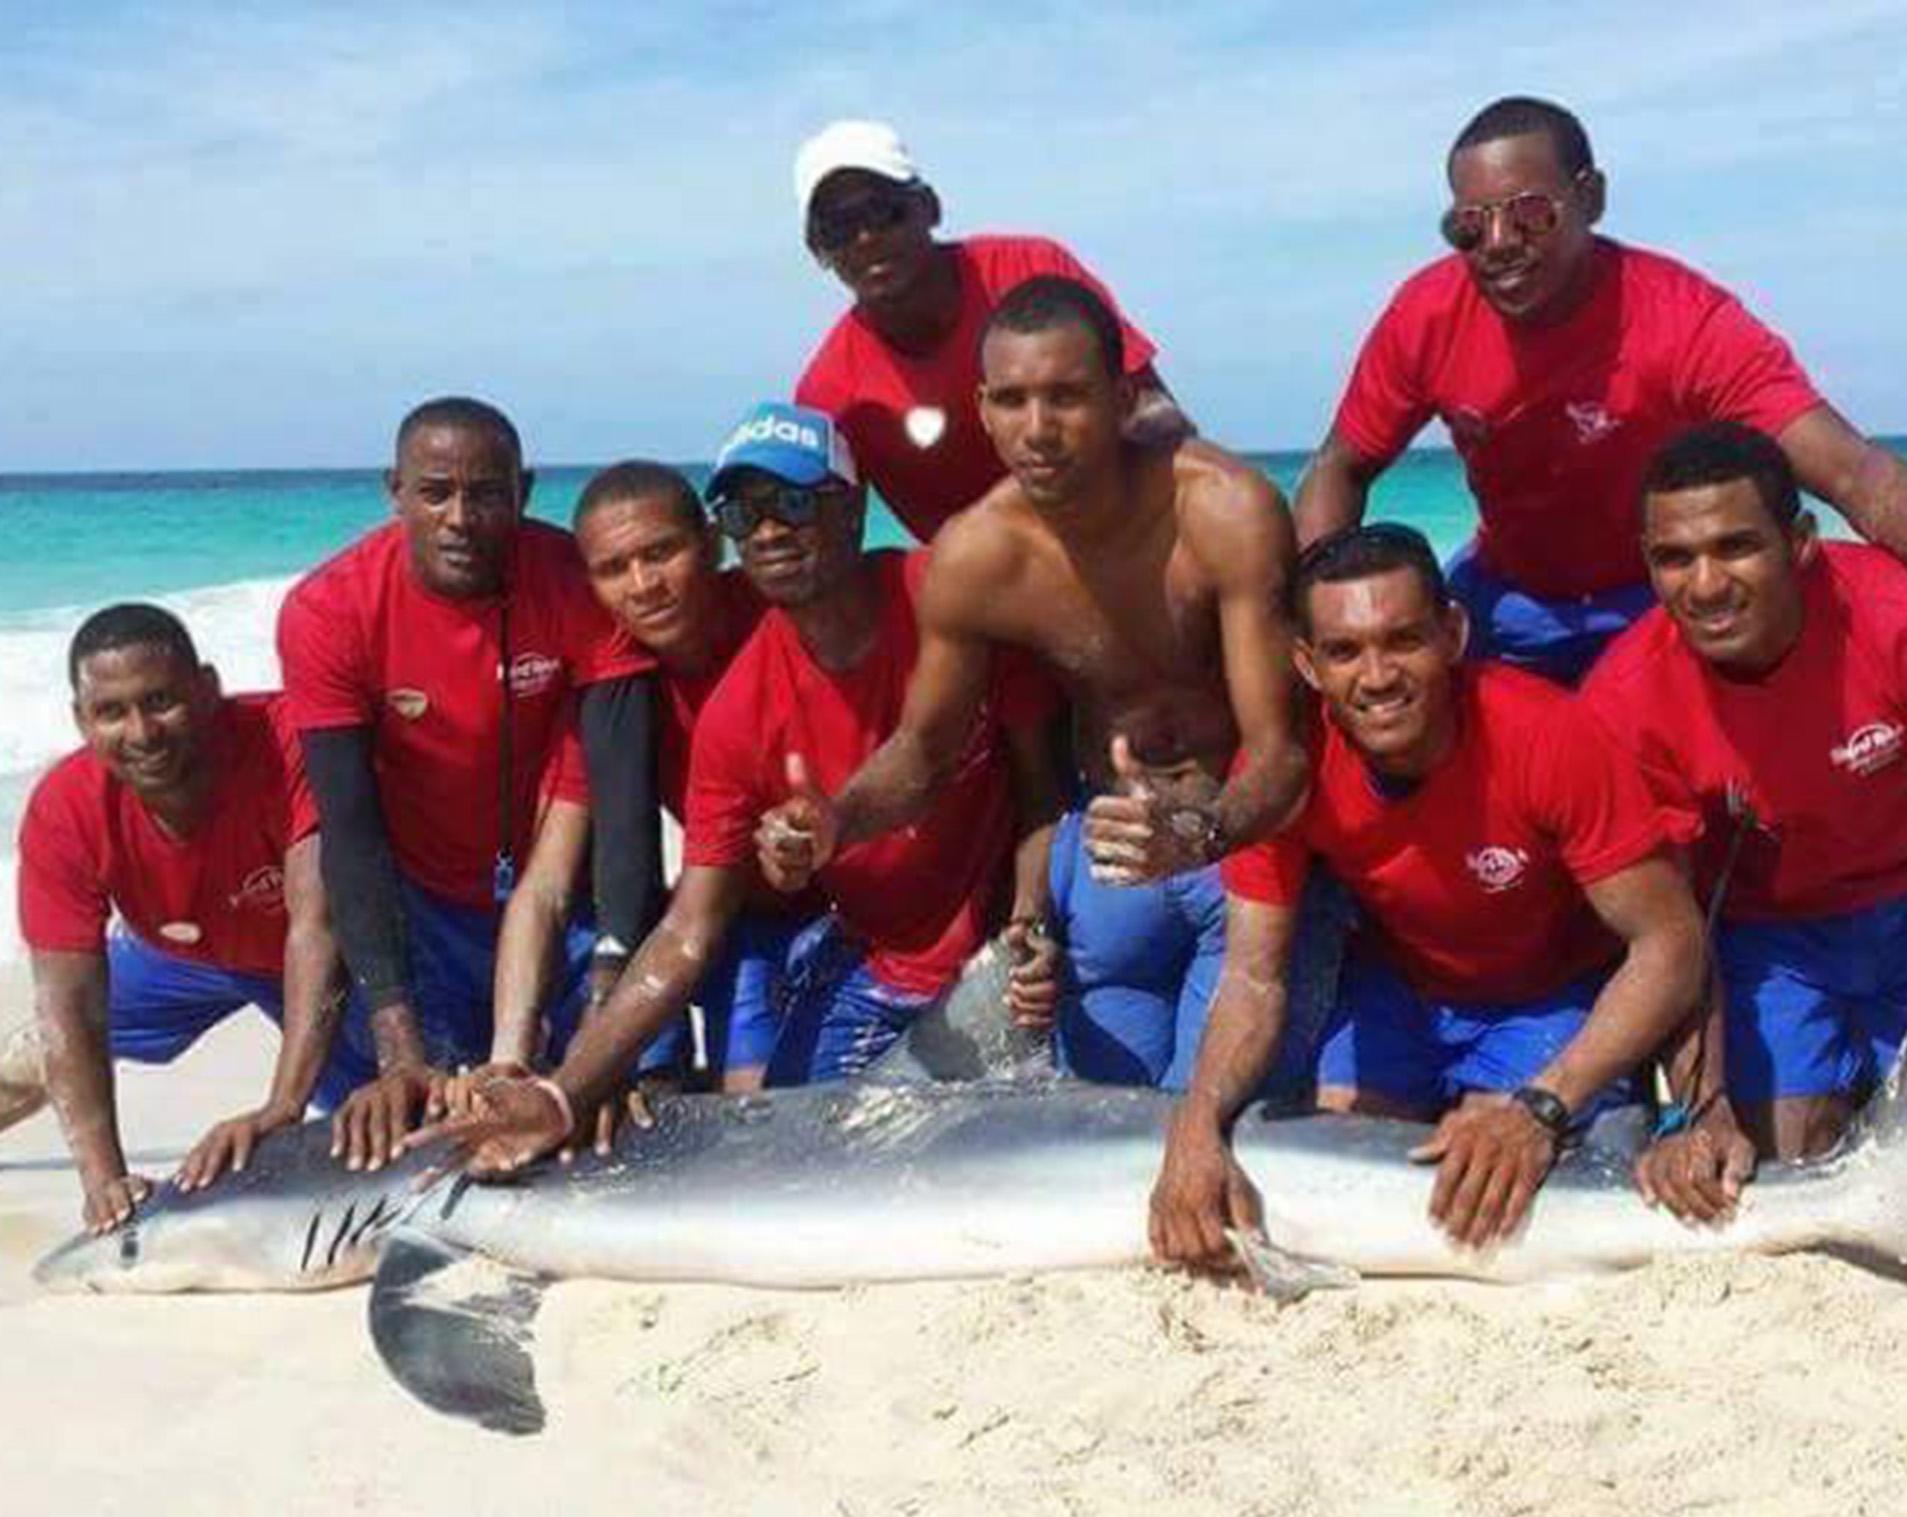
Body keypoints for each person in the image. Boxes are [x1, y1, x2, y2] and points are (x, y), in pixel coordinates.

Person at [411, 403, 1062, 1172]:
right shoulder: (734, 711)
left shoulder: (942, 599)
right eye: (745, 512)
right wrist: (563, 1094)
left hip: (1015, 941)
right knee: (779, 1157)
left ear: (852, 505)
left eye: (793, 502)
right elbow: (688, 929)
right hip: (878, 956)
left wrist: (1033, 917)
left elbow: (1045, 783)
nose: (770, 532)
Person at [765, 275, 1316, 1092]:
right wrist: (836, 821)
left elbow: (1285, 751)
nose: (1039, 430)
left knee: (1209, 1130)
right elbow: (924, 752)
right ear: (981, 409)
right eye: (1013, 401)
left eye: (1067, 397)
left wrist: (1202, 831)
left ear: (1125, 396)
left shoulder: (1223, 511)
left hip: (1246, 851)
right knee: (1103, 1131)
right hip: (1107, 862)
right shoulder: (978, 555)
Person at [1293, 95, 1907, 683]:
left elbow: (1848, 467)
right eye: (1469, 227)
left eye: (1529, 213)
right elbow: (1340, 466)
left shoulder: (1682, 318)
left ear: (1592, 198)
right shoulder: (1427, 313)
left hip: (1661, 603)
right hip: (1510, 593)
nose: (1500, 243)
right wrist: (1312, 617)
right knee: (1378, 698)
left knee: (1903, 609)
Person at [1150, 525, 1707, 1261]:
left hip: (1550, 996)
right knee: (1343, 1160)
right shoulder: (1287, 764)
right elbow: (1254, 975)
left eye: (1403, 640)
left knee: (1485, 1179)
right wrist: (1196, 1124)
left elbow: (1670, 944)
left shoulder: (1547, 735)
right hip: (1405, 991)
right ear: (1307, 666)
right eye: (1345, 652)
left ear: (1453, 633)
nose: (1377, 676)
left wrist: (1543, 1106)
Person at [1581, 423, 1907, 1222]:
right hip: (1774, 940)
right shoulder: (1623, 703)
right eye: (1674, 558)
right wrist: (1704, 1107)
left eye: (1736, 547)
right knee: (1784, 1169)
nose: (1705, 584)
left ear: (1800, 542)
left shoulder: (1896, 611)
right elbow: (1671, 930)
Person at [276, 397, 660, 1172]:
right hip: (417, 905)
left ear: (524, 491)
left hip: (567, 892)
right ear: (395, 491)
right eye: (435, 491)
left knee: (640, 1103)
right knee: (420, 1124)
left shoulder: (580, 582)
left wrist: (605, 1024)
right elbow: (349, 834)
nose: (460, 517)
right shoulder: (328, 609)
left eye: (486, 492)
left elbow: (625, 805)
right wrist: (397, 1042)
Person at [4, 605, 351, 1232]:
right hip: (181, 957)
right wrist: (104, 1181)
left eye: (161, 701)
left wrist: (283, 1105)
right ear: (83, 722)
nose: (140, 732)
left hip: (324, 960)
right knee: (42, 1052)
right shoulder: (66, 808)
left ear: (208, 689)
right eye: (111, 712)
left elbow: (317, 928)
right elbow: (71, 1007)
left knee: (387, 1125)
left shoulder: (289, 741)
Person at [480, 460, 790, 1099]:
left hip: (862, 904)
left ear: (711, 543)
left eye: (661, 553)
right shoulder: (616, 691)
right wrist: (508, 1058)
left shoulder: (780, 617)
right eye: (613, 569)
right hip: (733, 918)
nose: (643, 585)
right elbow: (546, 883)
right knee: (741, 1106)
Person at [793, 118, 1189, 541]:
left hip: (1123, 539)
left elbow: (1153, 413)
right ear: (818, 251)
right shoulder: (829, 395)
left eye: (883, 210)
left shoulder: (1034, 270)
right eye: (838, 227)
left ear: (930, 207)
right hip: (980, 587)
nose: (866, 237)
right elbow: (831, 543)